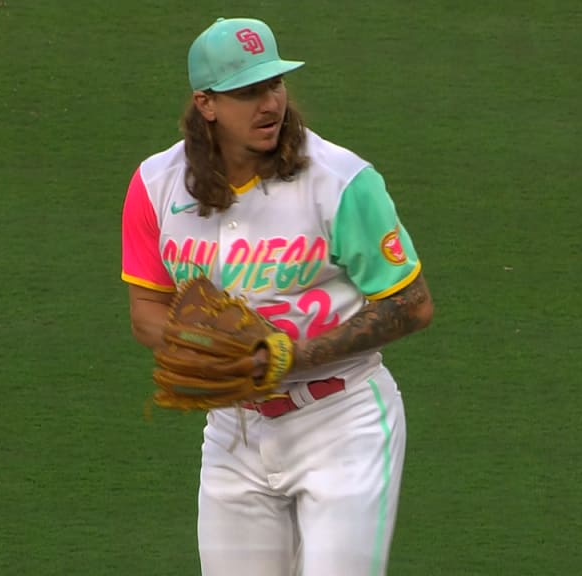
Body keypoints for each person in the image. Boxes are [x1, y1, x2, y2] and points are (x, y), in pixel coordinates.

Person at [120, 16, 433, 576]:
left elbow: (411, 305)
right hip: (234, 433)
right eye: (247, 92)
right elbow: (146, 314)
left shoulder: (341, 180)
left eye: (275, 85)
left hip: (342, 422)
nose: (269, 104)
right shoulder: (154, 185)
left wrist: (290, 355)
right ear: (206, 103)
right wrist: (214, 349)